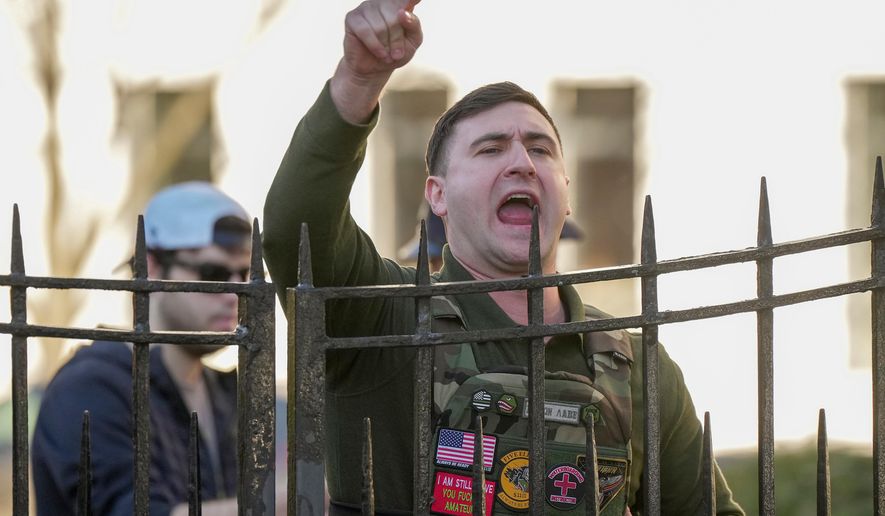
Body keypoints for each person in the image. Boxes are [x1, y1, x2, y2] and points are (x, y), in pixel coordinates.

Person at [262, 1, 745, 514]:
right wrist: (360, 79)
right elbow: (297, 229)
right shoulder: (381, 313)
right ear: (438, 196)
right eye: (490, 149)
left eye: (540, 149)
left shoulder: (636, 361)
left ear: (566, 189)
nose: (521, 163)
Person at [32, 181, 259, 515]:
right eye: (214, 272)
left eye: (246, 274)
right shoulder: (92, 386)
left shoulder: (222, 390)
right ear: (152, 268)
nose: (235, 291)